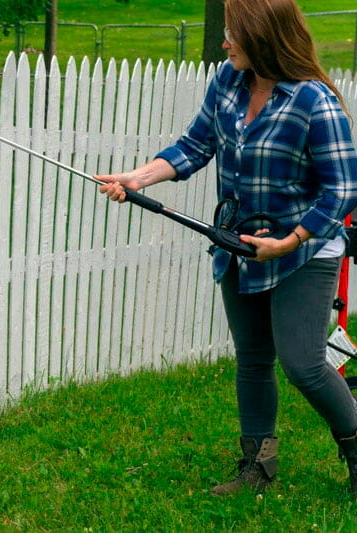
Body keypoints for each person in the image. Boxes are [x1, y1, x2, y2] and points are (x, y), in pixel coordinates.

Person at [97, 0, 357, 496]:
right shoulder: (229, 82)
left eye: (233, 32)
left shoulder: (314, 101)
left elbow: (342, 189)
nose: (224, 42)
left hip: (305, 249)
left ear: (261, 35)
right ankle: (258, 464)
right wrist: (137, 178)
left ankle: (355, 443)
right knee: (253, 358)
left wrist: (288, 241)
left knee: (302, 362)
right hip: (240, 244)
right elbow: (195, 146)